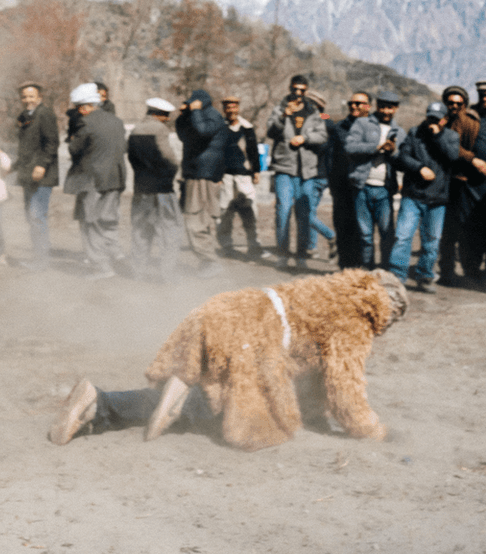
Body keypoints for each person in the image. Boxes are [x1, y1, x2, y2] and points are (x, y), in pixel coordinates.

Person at [47, 269, 408, 451]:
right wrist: (372, 430)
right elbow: (344, 388)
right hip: (254, 334)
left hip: (230, 306)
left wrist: (312, 409)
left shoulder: (332, 288)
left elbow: (315, 374)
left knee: (199, 384)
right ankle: (100, 403)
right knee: (234, 417)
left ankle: (108, 408)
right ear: (388, 312)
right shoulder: (357, 318)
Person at [440, 81, 486, 286]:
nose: (485, 99)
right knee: (470, 227)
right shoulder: (467, 117)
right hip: (470, 182)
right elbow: (451, 145)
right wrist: (473, 159)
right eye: (482, 95)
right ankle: (471, 271)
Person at [389, 102, 461, 292]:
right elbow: (402, 158)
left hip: (437, 200)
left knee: (432, 242)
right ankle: (397, 277)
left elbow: (453, 157)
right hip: (413, 196)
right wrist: (419, 168)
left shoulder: (452, 136)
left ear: (445, 120)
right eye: (430, 117)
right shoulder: (414, 132)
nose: (432, 122)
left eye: (437, 119)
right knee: (403, 237)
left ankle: (425, 276)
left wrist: (437, 136)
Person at [64, 82, 127, 279]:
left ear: (84, 106)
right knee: (108, 220)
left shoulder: (86, 123)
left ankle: (101, 267)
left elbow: (75, 149)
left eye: (78, 108)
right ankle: (116, 257)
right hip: (115, 178)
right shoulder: (116, 121)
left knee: (89, 222)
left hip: (92, 180)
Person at [266, 75, 328, 269]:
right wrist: (284, 116)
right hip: (284, 167)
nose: (298, 94)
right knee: (283, 210)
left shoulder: (313, 112)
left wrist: (305, 138)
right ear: (289, 89)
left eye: (302, 90)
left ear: (306, 91)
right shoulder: (279, 108)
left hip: (307, 171)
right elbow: (271, 131)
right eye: (295, 89)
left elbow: (323, 135)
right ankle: (282, 254)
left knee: (303, 213)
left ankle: (301, 255)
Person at [345, 89, 404, 269]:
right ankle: (366, 270)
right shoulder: (362, 124)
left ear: (396, 109)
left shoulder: (400, 132)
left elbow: (403, 160)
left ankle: (386, 270)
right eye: (383, 107)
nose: (386, 111)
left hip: (385, 190)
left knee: (387, 233)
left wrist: (393, 151)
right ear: (377, 107)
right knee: (365, 234)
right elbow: (350, 147)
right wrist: (377, 147)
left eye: (391, 108)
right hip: (362, 186)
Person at [175, 89, 230, 277]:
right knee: (198, 221)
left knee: (194, 221)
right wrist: (184, 115)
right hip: (196, 173)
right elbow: (184, 135)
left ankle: (210, 262)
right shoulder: (200, 115)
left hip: (203, 175)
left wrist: (195, 111)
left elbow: (202, 131)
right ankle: (209, 263)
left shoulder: (212, 116)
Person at [127, 98, 181, 279]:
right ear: (157, 114)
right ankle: (168, 274)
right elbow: (169, 158)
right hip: (162, 190)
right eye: (165, 116)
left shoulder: (135, 130)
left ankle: (137, 271)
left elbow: (132, 159)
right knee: (169, 231)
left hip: (141, 188)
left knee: (141, 231)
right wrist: (172, 173)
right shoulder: (160, 130)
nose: (166, 119)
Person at [13, 81, 59, 269]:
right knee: (30, 216)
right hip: (27, 175)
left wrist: (41, 165)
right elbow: (25, 149)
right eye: (24, 96)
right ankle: (39, 257)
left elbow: (52, 142)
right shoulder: (24, 117)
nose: (27, 100)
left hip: (42, 176)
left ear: (39, 97)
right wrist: (13, 167)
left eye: (31, 96)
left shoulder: (45, 114)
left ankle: (42, 261)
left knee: (37, 216)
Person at [216, 96, 265, 258]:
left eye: (234, 107)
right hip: (226, 176)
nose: (231, 111)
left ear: (238, 108)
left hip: (244, 176)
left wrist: (256, 171)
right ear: (224, 109)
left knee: (250, 212)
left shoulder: (247, 128)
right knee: (224, 213)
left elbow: (253, 151)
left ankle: (254, 246)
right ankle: (226, 246)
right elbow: (215, 152)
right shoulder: (219, 128)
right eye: (228, 108)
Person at [329, 92, 371, 268]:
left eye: (359, 103)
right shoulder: (339, 128)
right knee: (343, 227)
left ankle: (365, 267)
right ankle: (345, 268)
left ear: (368, 106)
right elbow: (330, 157)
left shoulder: (374, 127)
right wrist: (332, 185)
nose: (354, 106)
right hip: (343, 186)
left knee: (364, 230)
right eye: (351, 103)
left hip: (367, 185)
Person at [303, 89, 336, 262]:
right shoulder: (321, 121)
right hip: (318, 173)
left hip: (318, 173)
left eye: (308, 103)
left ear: (316, 106)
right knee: (311, 211)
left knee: (305, 211)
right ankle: (311, 248)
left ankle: (331, 236)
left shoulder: (324, 121)